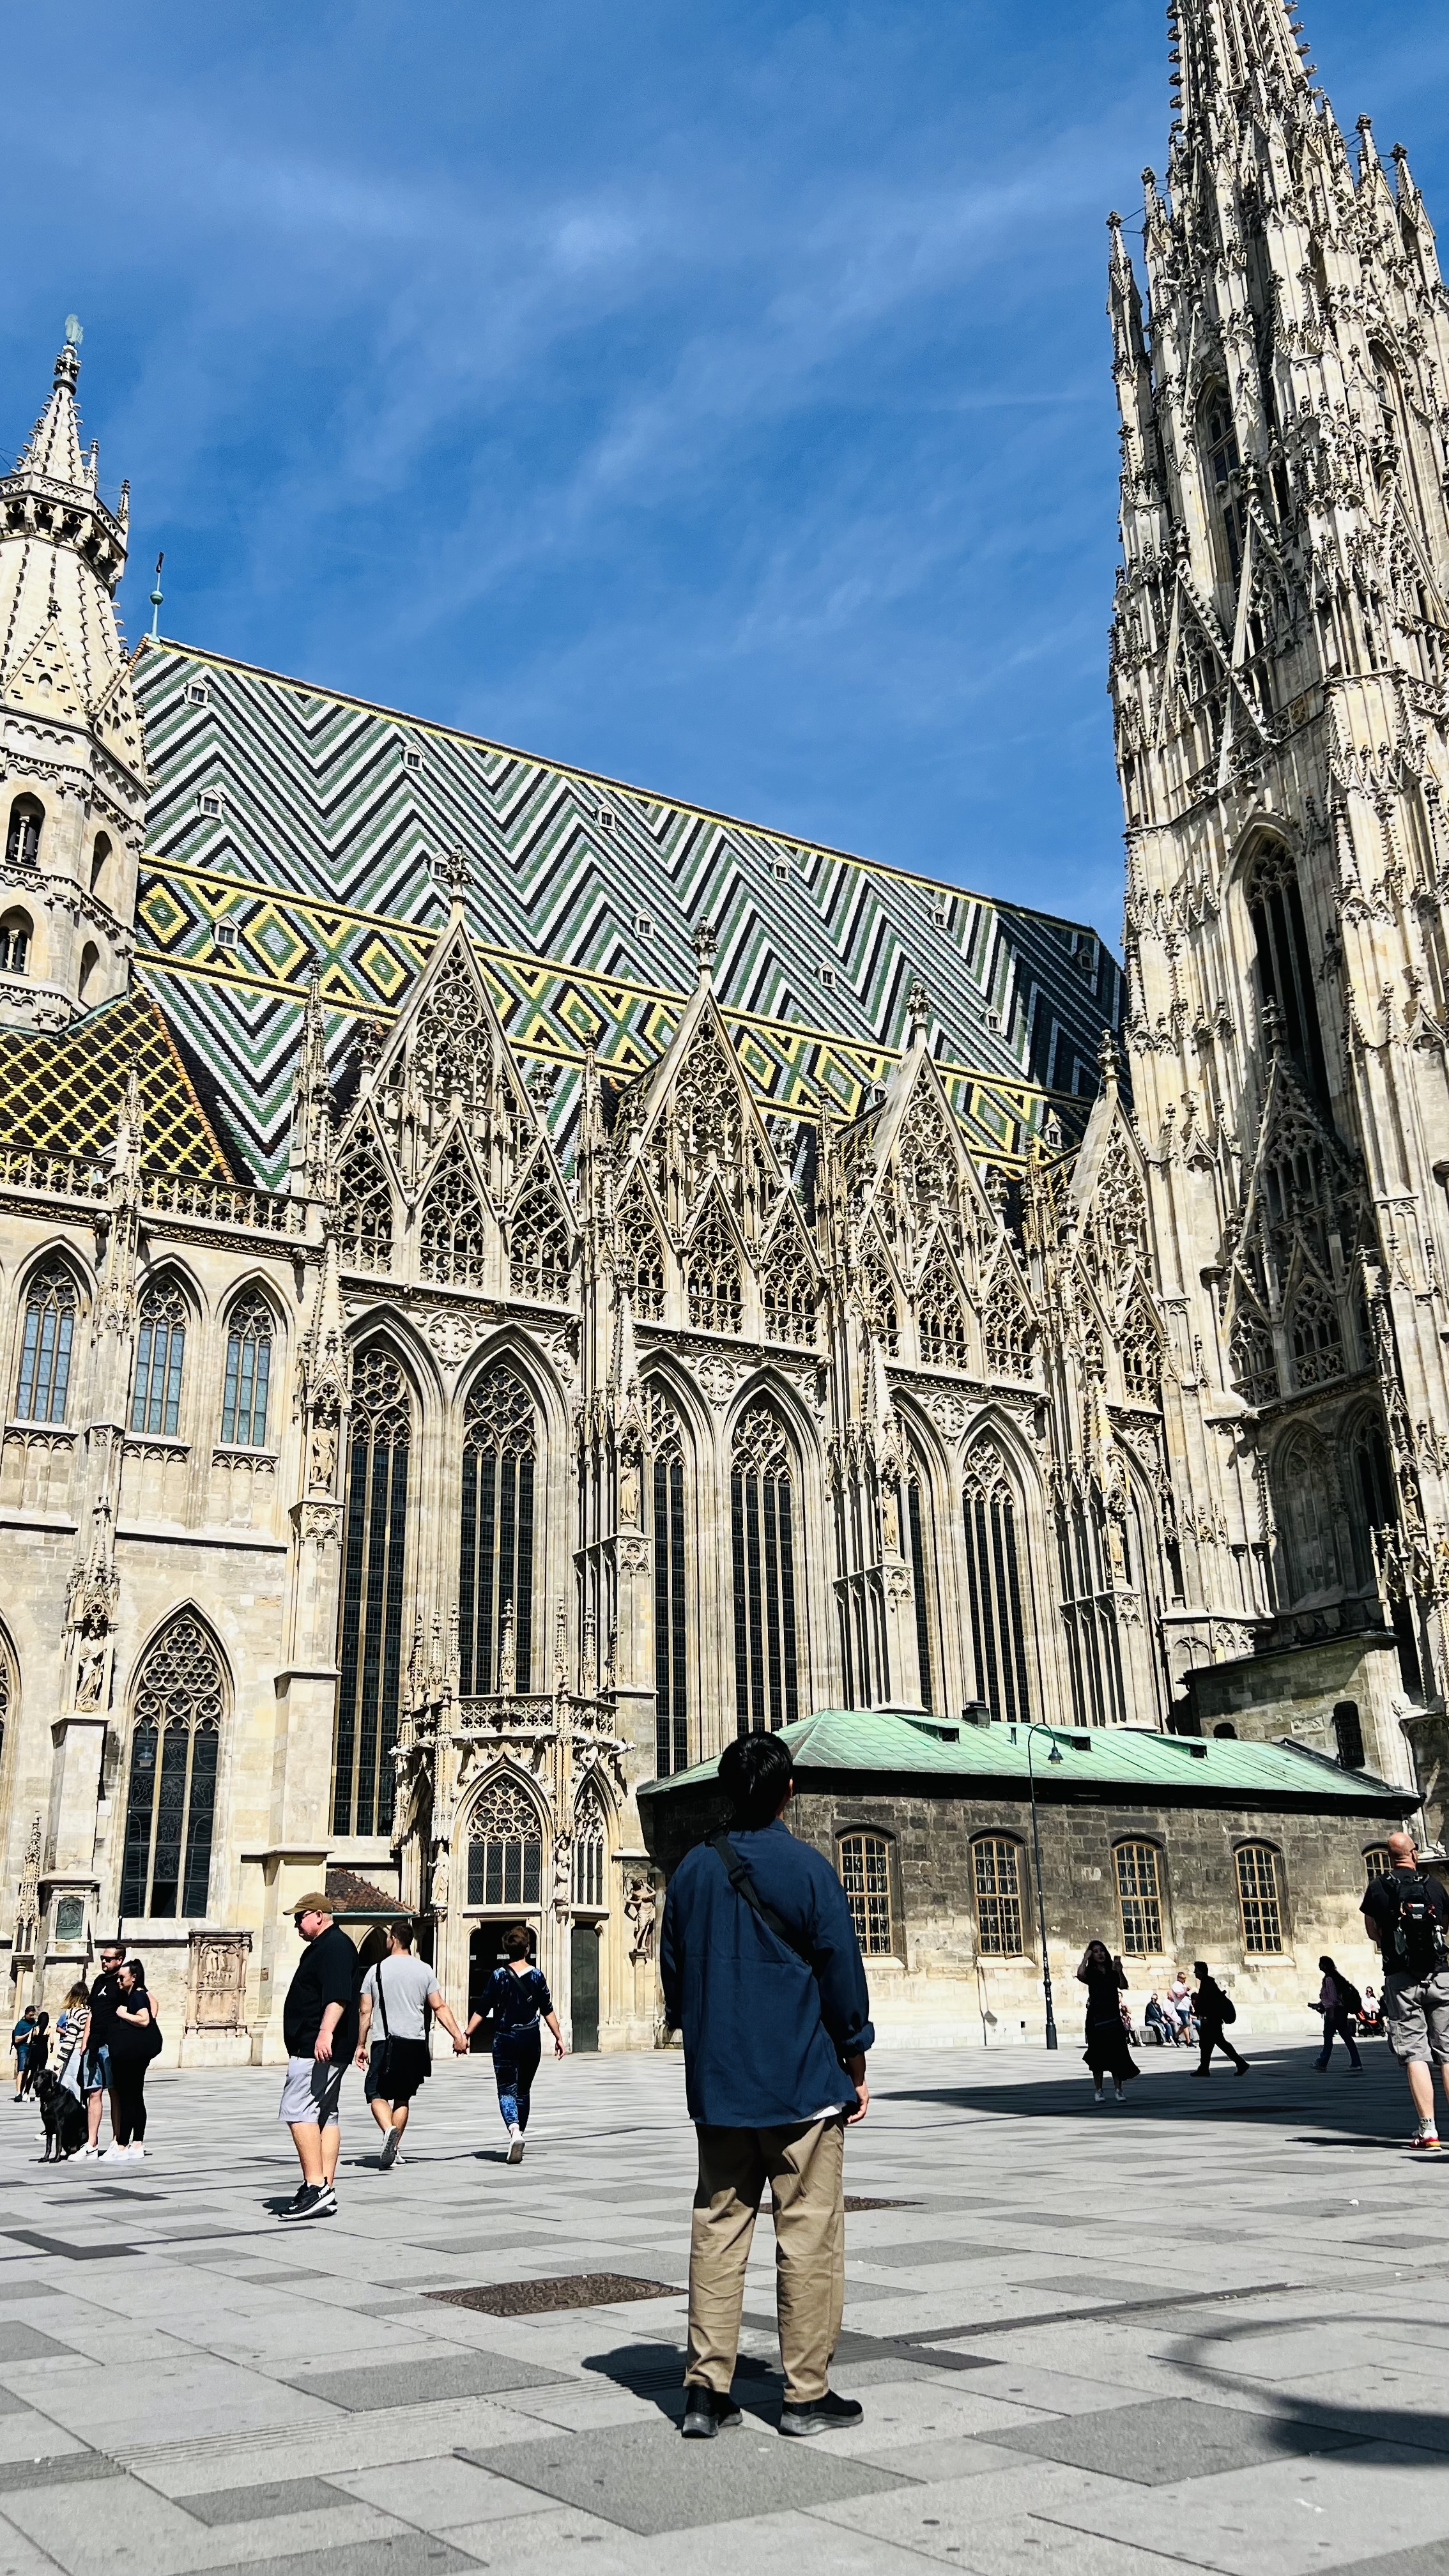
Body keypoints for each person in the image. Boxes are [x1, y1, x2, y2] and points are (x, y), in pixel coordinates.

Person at [660, 1731, 873, 2443]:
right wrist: (855, 2055)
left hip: (720, 2087)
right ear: (789, 1791)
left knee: (718, 2229)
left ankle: (704, 2390)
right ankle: (805, 2395)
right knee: (807, 2235)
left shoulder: (692, 1871)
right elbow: (842, 1975)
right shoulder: (810, 1869)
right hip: (800, 2085)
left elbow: (673, 1975)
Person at [1361, 1827, 1449, 2150]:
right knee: (1448, 2053)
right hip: (1440, 1975)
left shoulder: (1379, 1887)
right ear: (1413, 1854)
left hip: (1401, 1978)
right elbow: (1446, 1926)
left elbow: (1373, 1933)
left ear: (1389, 1857)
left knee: (1415, 2053)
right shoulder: (1434, 1884)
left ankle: (1428, 2130)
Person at [356, 1920, 469, 2168]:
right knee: (403, 2097)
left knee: (374, 2092)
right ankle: (394, 2149)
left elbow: (365, 2011)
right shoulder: (425, 1970)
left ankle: (388, 2130)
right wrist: (458, 2036)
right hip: (415, 2044)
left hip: (385, 2042)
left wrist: (361, 2044)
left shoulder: (376, 1971)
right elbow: (439, 2006)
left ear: (394, 1939)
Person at [279, 1894, 360, 2220]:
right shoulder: (327, 1945)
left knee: (298, 2109)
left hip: (316, 2046)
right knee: (325, 2114)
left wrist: (325, 2032)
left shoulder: (334, 1945)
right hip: (322, 2046)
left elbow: (338, 1995)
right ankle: (324, 2188)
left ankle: (315, 2186)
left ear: (318, 1915)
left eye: (299, 1918)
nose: (296, 1925)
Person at [466, 1926, 564, 2162]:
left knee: (506, 2089)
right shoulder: (537, 1976)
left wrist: (467, 2034)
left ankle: (514, 2130)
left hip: (506, 2039)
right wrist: (558, 2037)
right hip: (531, 2039)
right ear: (527, 1949)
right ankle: (520, 2134)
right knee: (523, 2090)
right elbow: (547, 2009)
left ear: (507, 1949)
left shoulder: (498, 1976)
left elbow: (482, 2008)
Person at [77, 1944, 126, 2158]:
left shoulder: (123, 1982)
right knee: (93, 2092)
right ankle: (92, 2143)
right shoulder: (98, 1981)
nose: (104, 1961)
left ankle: (117, 2140)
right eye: (102, 1958)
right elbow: (92, 2013)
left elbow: (147, 2003)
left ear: (120, 1960)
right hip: (94, 2045)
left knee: (115, 2091)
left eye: (108, 1959)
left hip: (112, 2044)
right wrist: (84, 2042)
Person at [1077, 1942, 1138, 2104]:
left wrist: (1120, 1971)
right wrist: (1085, 1959)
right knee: (1097, 2055)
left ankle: (1119, 2089)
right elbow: (1081, 1975)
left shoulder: (1112, 1969)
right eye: (1095, 1952)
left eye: (1102, 1951)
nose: (1100, 1954)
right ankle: (1099, 2090)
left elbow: (1123, 1985)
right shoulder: (1091, 1971)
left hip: (1113, 2016)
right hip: (1096, 2018)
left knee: (1117, 2054)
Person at [107, 1960, 155, 2157]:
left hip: (133, 2056)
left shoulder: (136, 1996)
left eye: (122, 1977)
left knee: (129, 2098)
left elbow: (144, 2019)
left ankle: (123, 2145)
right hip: (135, 2054)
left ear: (133, 1978)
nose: (119, 1981)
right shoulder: (139, 1993)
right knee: (135, 2097)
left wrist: (123, 2014)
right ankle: (136, 2144)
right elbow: (154, 2004)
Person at [1188, 1961, 1248, 2077]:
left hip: (1211, 2021)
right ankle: (1204, 2068)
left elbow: (1210, 2004)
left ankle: (1240, 2063)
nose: (1195, 1973)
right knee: (1208, 2044)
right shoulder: (1207, 1983)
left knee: (1217, 2044)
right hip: (1212, 2020)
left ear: (1201, 1971)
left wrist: (1205, 2017)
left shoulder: (1207, 1983)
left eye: (1196, 1970)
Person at [1314, 1955, 1363, 2074]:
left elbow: (1332, 1999)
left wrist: (1326, 2010)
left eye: (1321, 1963)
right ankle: (1356, 2063)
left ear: (1325, 1966)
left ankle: (1322, 2063)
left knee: (1328, 2038)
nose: (1319, 1966)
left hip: (1334, 2012)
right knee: (1347, 2038)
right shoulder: (1338, 1978)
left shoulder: (1329, 1979)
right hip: (1341, 2012)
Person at [54, 1984, 89, 2067]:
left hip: (75, 2051)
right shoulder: (89, 2011)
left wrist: (59, 2061)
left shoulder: (75, 2012)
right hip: (86, 2050)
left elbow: (71, 2038)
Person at [19, 2012, 49, 2101]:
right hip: (44, 2052)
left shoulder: (35, 2028)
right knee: (42, 2072)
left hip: (35, 2052)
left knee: (33, 2073)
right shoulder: (49, 2029)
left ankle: (26, 2093)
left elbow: (28, 2041)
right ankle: (38, 2094)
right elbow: (52, 2042)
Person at [10, 2006, 35, 2102]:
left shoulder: (34, 2022)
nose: (32, 2017)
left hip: (31, 2049)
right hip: (23, 2049)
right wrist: (27, 2034)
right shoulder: (21, 2024)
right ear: (26, 2014)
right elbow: (17, 2039)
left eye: (33, 2015)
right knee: (21, 2070)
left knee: (27, 2072)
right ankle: (18, 2092)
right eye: (30, 2015)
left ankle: (22, 2091)